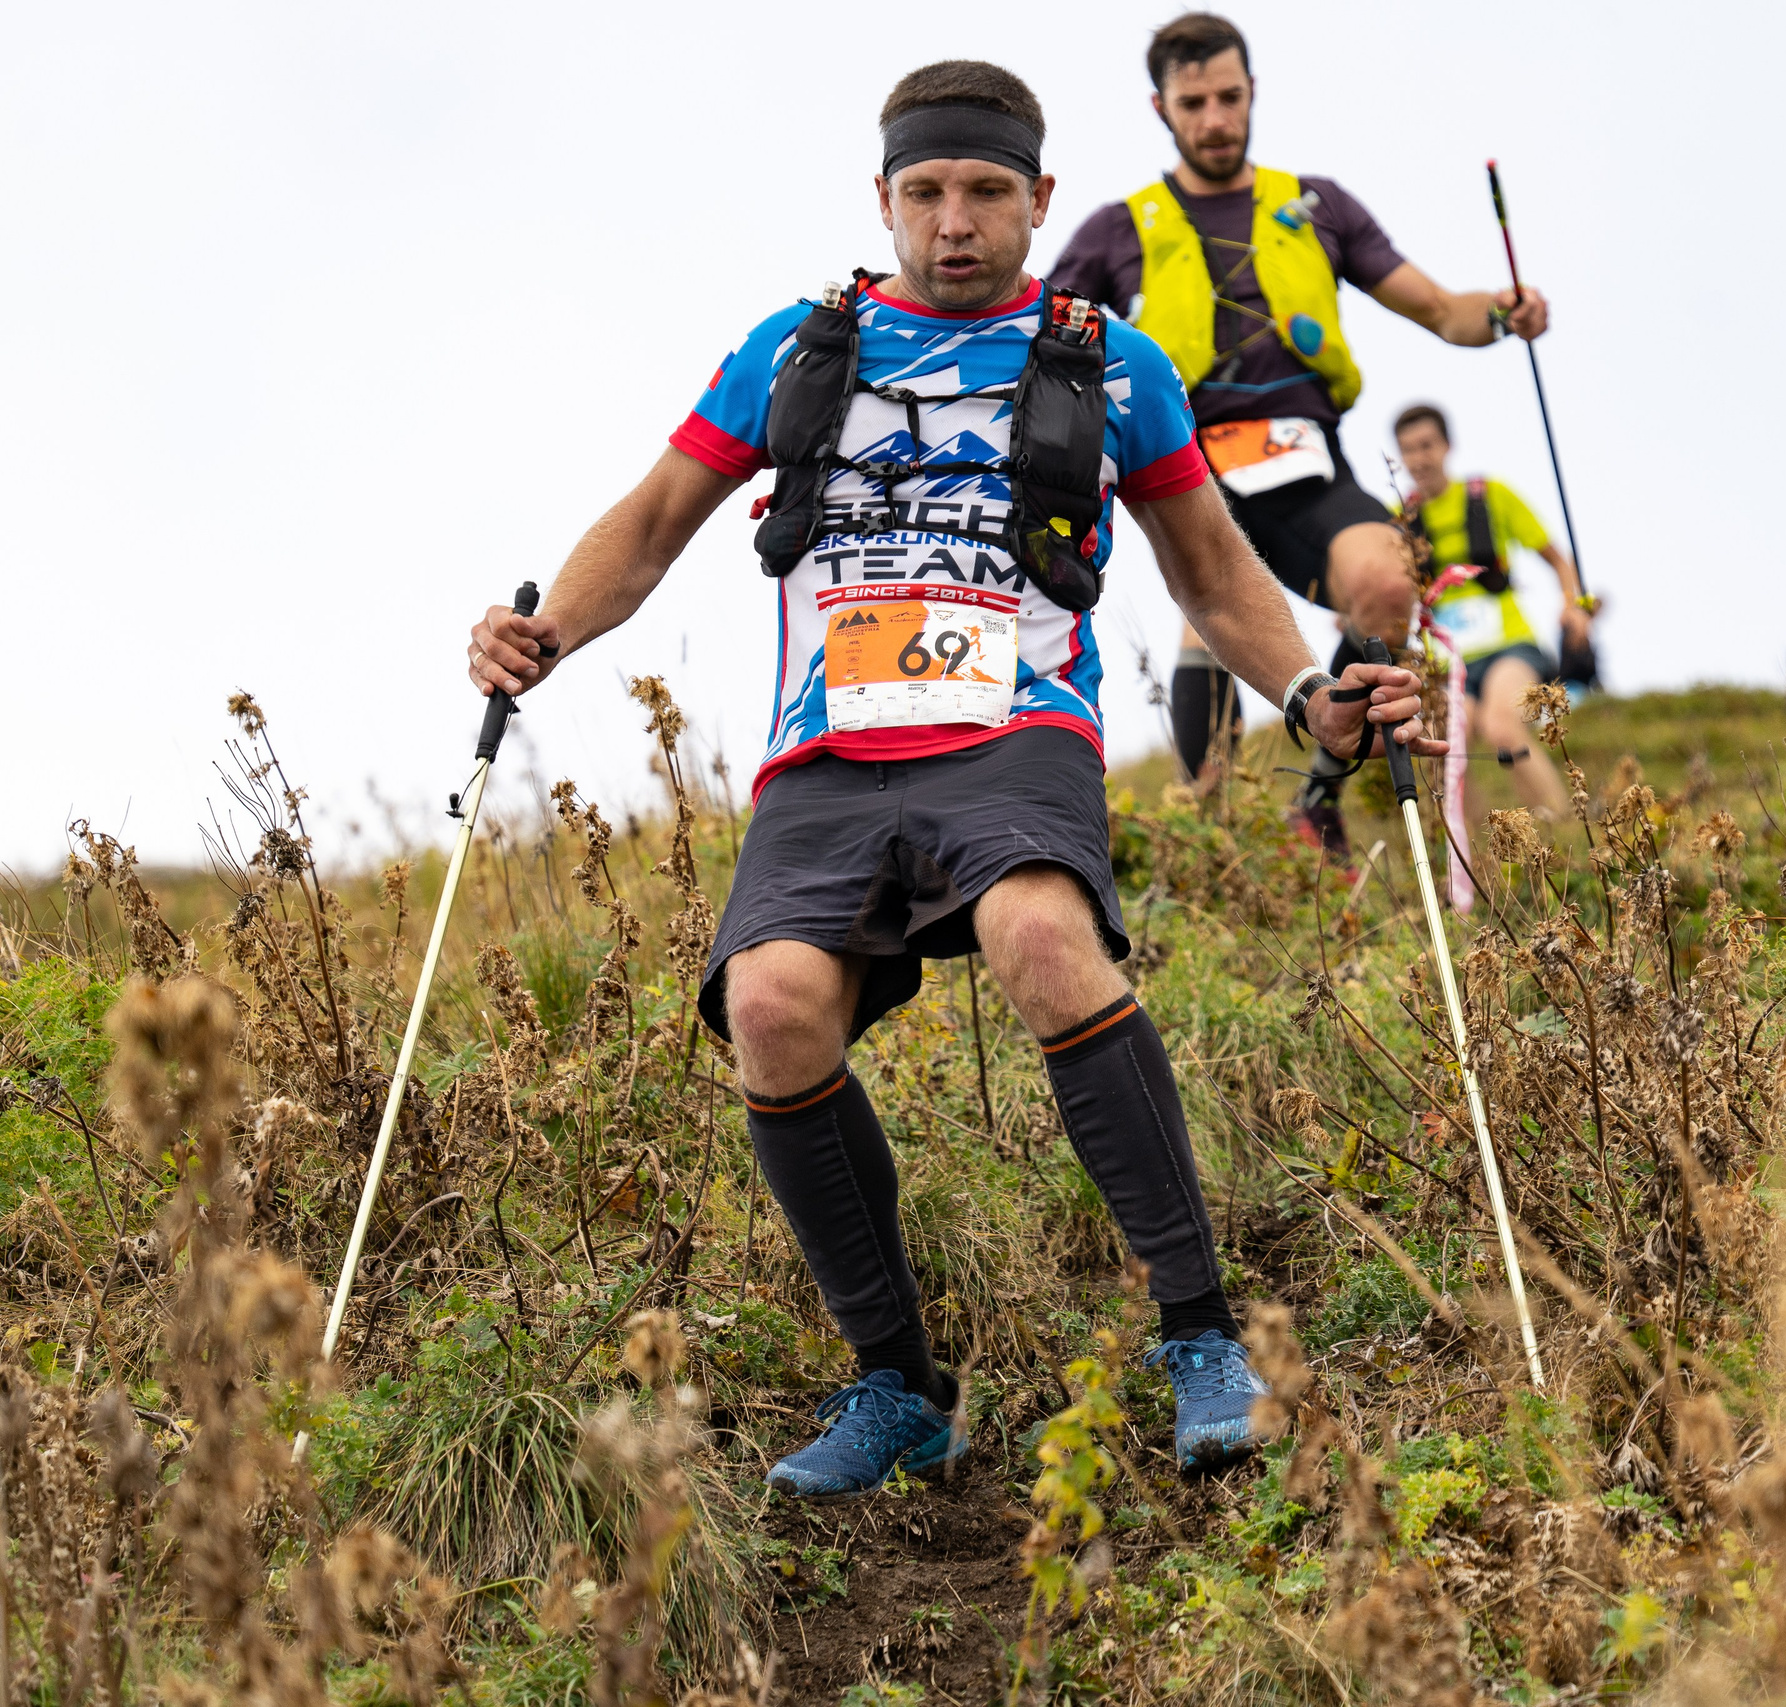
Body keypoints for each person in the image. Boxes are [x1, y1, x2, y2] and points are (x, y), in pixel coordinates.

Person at [464, 60, 1441, 1495]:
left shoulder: (1113, 363)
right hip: (828, 751)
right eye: (925, 192)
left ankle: (1201, 1338)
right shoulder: (798, 353)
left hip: (1013, 728)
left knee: (1042, 937)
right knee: (772, 1007)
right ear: (884, 199)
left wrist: (1307, 693)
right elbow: (660, 516)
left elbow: (1215, 574)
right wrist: (547, 633)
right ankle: (899, 1383)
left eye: (987, 190)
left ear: (1042, 200)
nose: (956, 220)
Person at [1048, 11, 1549, 852]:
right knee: (1205, 618)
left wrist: (1504, 313)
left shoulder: (1317, 205)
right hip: (1190, 460)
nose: (1215, 119)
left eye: (1230, 97)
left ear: (1253, 93)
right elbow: (1040, 335)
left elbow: (1438, 309)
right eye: (1195, 101)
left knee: (1390, 583)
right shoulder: (1117, 229)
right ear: (1160, 107)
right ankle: (1216, 835)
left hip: (1310, 459)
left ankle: (1317, 796)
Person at [1391, 403, 1593, 821]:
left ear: (1447, 446)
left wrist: (1572, 607)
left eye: (1427, 445)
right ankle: (1479, 858)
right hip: (1447, 663)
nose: (1418, 459)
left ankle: (1562, 825)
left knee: (1502, 725)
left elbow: (1558, 559)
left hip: (1508, 647)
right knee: (1447, 740)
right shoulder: (1398, 521)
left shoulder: (1491, 495)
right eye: (1408, 449)